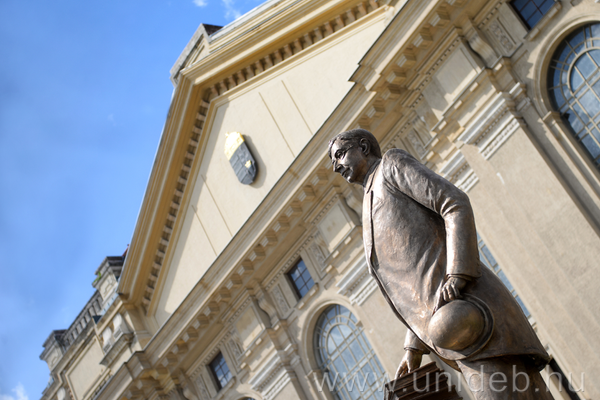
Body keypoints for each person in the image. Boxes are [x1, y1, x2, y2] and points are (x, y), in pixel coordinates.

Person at [328, 128, 551, 399]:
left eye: (340, 155)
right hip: (455, 330)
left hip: (470, 314)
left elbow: (454, 203)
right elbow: (415, 285)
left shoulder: (391, 165)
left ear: (363, 147)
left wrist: (457, 275)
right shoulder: (368, 201)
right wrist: (413, 347)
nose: (336, 166)